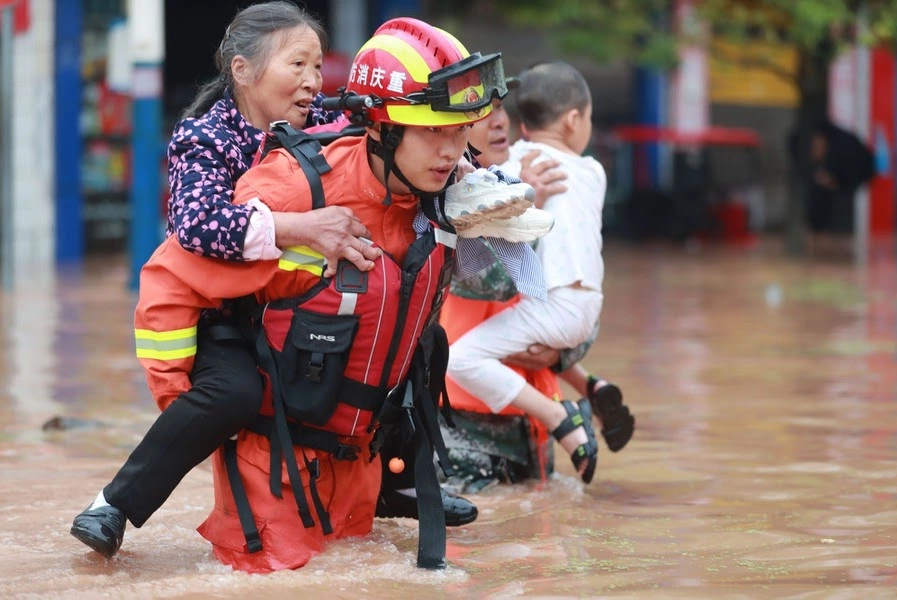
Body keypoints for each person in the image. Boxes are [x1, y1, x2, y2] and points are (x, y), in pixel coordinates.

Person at [70, 2, 527, 560]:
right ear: (242, 70)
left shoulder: (316, 124)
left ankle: (398, 478)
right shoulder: (208, 137)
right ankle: (115, 503)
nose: (313, 80)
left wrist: (477, 183)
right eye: (298, 65)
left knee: (426, 339)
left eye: (317, 66)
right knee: (231, 393)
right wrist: (300, 226)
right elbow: (194, 228)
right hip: (222, 311)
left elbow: (376, 135)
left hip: (286, 308)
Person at [446, 61, 634, 488]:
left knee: (539, 537)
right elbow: (485, 280)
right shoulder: (449, 195)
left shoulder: (524, 168)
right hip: (466, 424)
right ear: (449, 129)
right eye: (481, 114)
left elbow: (560, 294)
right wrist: (523, 202)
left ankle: (581, 394)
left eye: (502, 110)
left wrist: (561, 356)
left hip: (530, 418)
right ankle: (587, 391)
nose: (498, 122)